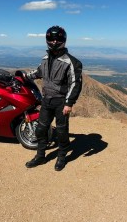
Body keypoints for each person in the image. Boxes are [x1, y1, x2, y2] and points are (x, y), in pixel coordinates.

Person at [25, 25, 83, 171]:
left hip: (61, 102)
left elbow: (75, 84)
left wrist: (69, 103)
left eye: (57, 38)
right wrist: (25, 76)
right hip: (46, 100)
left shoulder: (71, 62)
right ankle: (40, 156)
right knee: (40, 129)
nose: (54, 41)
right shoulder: (45, 58)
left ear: (63, 39)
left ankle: (62, 156)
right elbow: (39, 72)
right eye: (51, 38)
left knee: (62, 131)